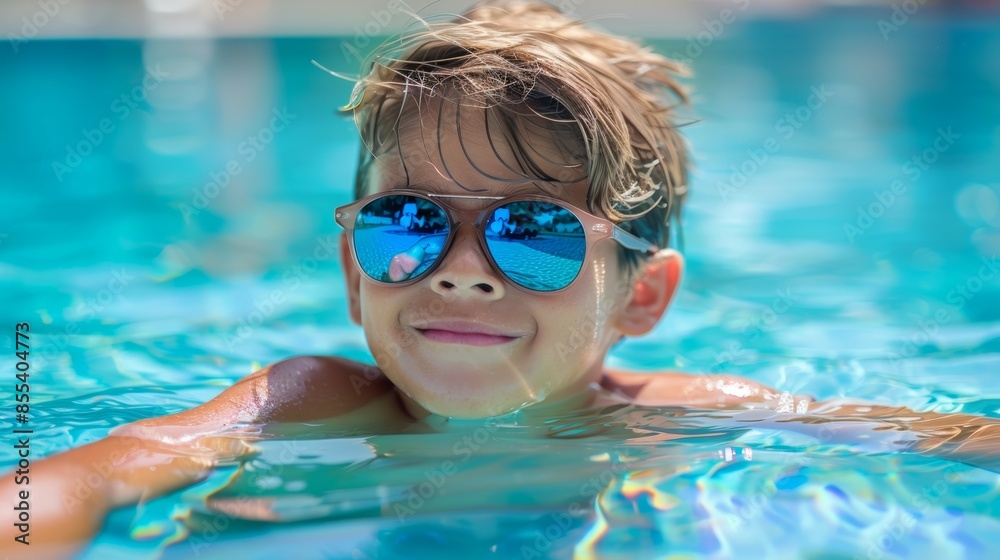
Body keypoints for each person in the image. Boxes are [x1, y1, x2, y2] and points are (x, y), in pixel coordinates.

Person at [4, 1, 998, 557]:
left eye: (534, 231)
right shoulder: (310, 401)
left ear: (640, 295)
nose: (464, 275)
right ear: (353, 271)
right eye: (408, 224)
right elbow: (106, 469)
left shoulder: (676, 416)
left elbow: (937, 439)